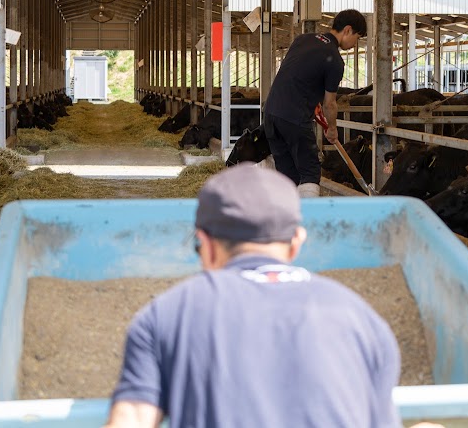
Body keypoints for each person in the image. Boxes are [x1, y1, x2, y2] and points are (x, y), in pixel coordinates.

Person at [104, 163, 401, 428]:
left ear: (205, 245)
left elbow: (132, 418)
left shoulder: (164, 316)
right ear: (296, 242)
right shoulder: (363, 320)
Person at [263, 9, 368, 198]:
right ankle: (308, 220)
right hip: (295, 117)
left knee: (287, 174)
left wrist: (312, 99)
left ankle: (286, 217)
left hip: (271, 115)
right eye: (357, 37)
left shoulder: (303, 39)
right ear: (348, 30)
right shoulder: (335, 60)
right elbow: (330, 104)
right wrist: (333, 129)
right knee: (310, 172)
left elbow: (297, 74)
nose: (355, 44)